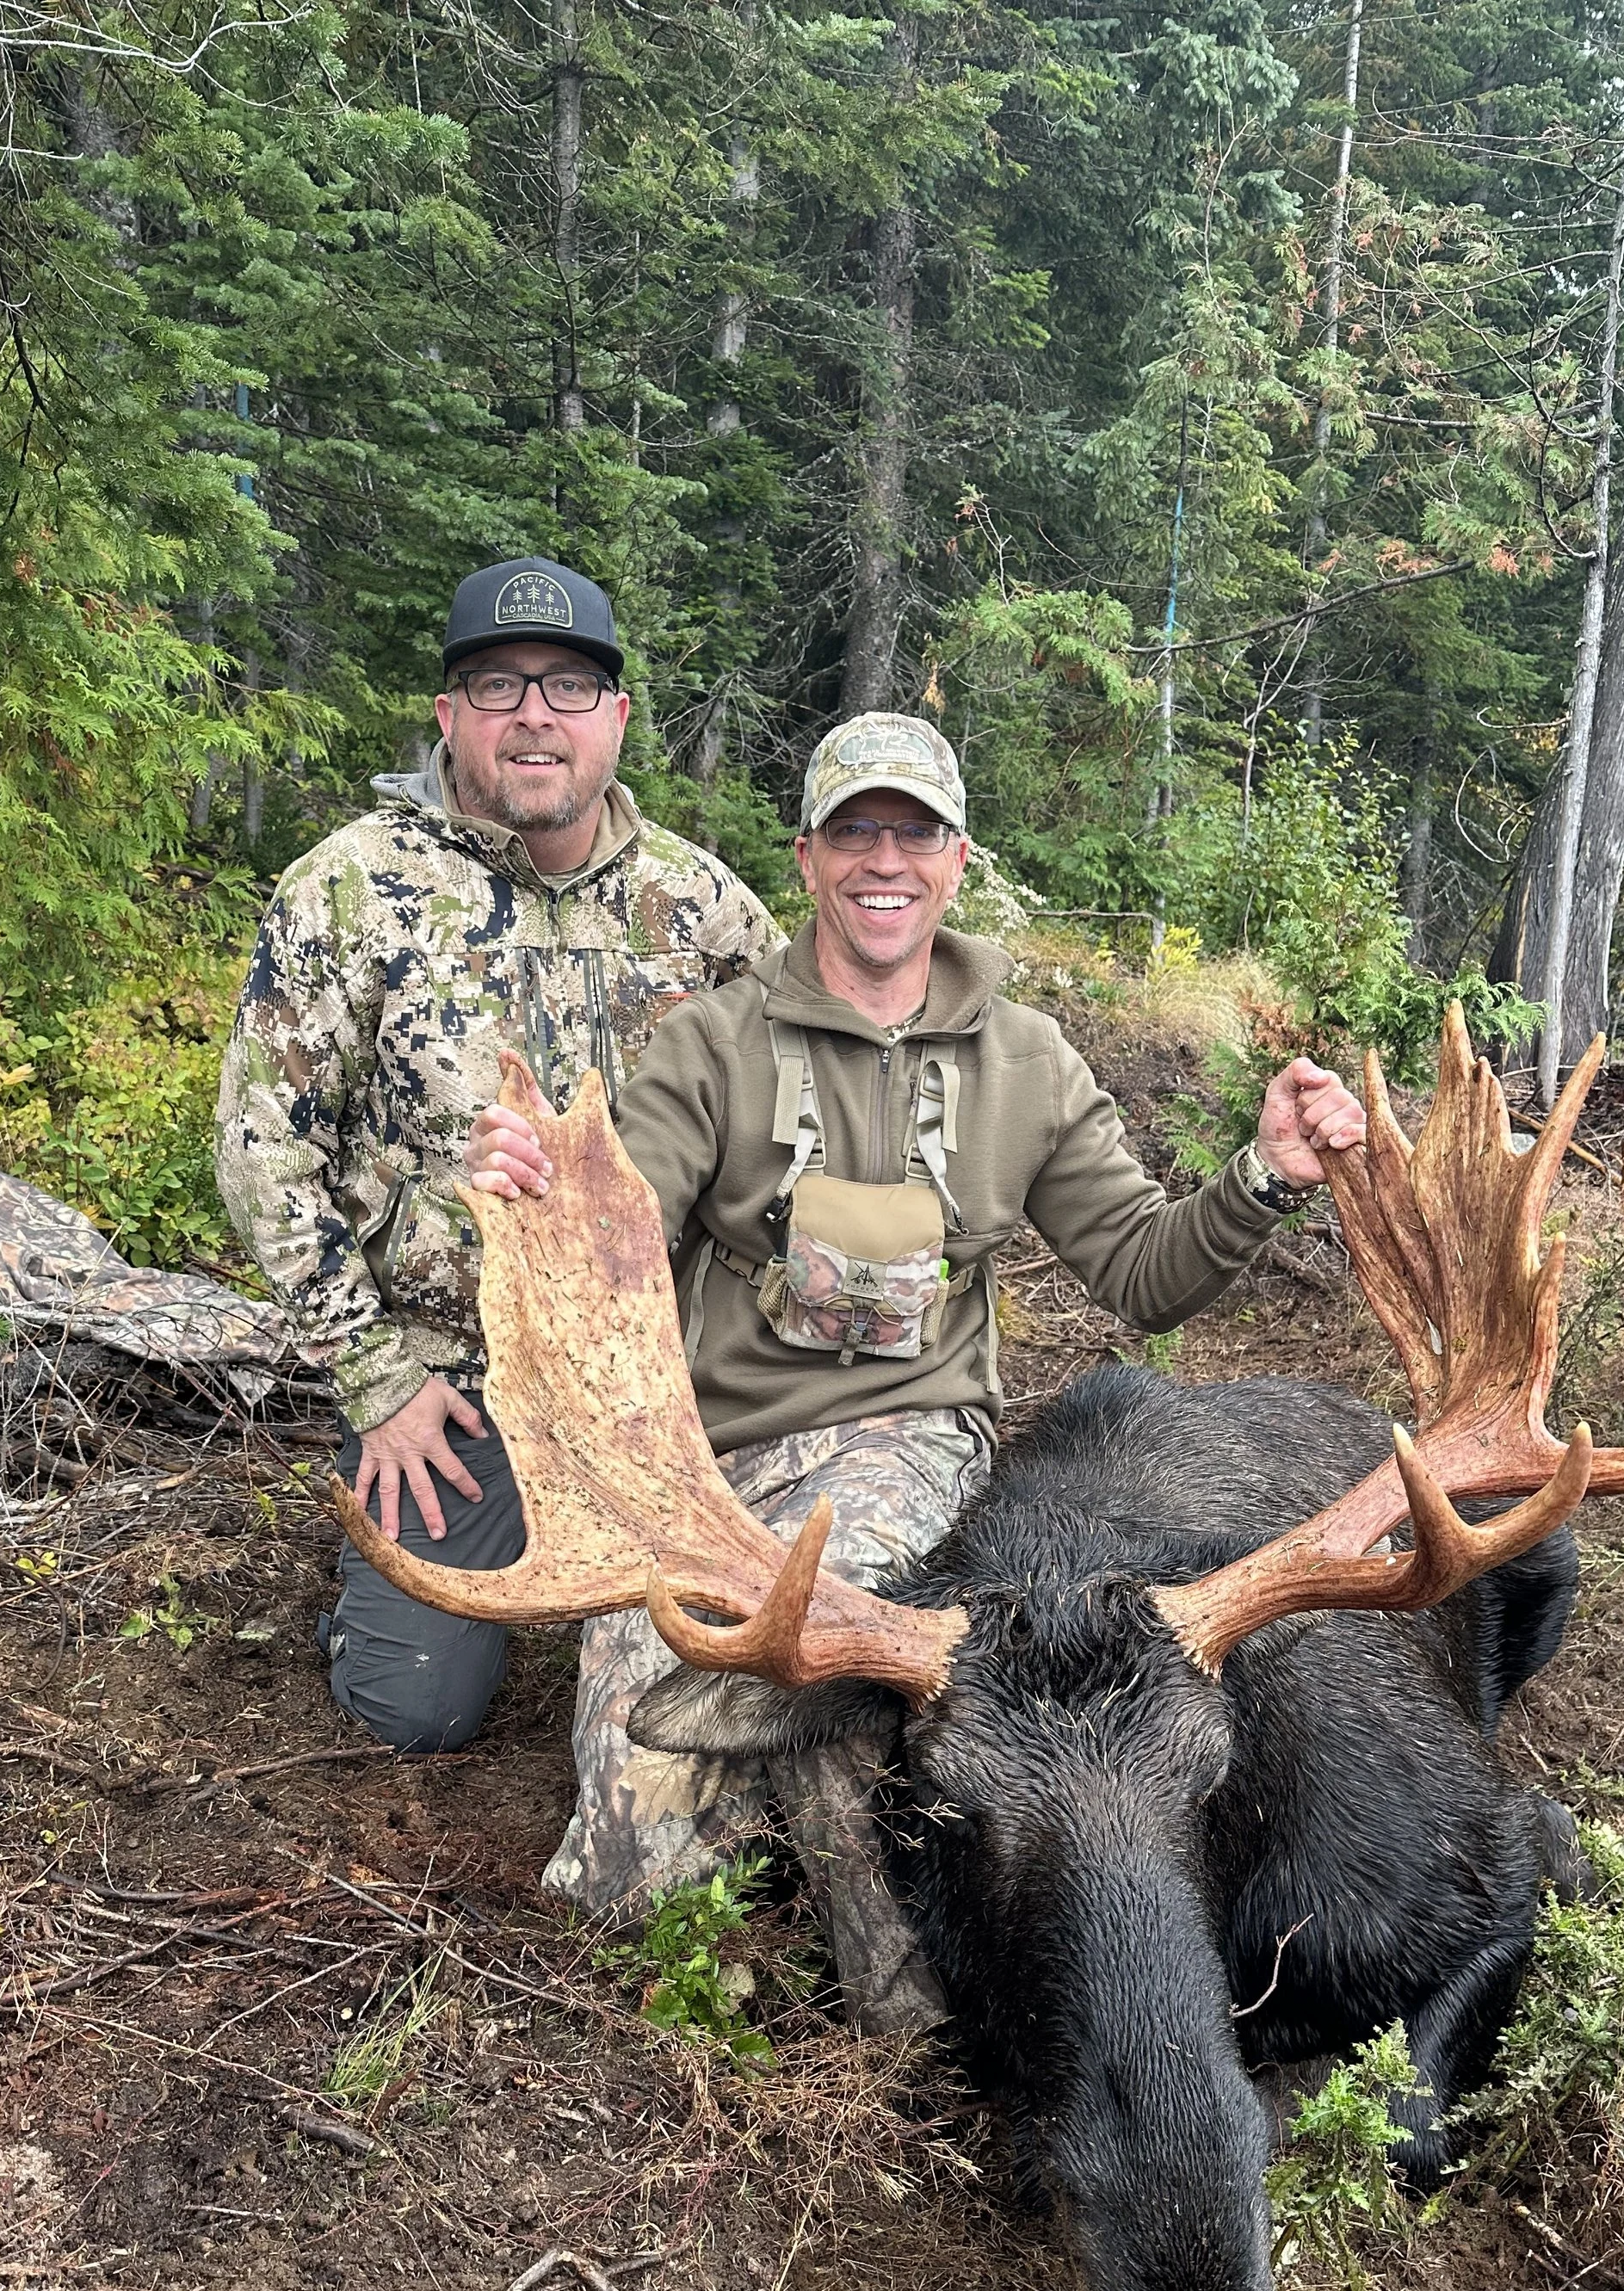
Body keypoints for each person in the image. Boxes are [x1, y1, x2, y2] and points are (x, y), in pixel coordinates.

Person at [466, 708, 1368, 2030]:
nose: (883, 861)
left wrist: (1262, 1179)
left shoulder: (1029, 1060)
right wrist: (536, 1199)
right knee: (632, 1857)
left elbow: (1141, 1272)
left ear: (956, 861)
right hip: (715, 1462)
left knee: (847, 1667)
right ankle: (759, 1875)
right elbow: (615, 1244)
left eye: (915, 833)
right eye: (855, 833)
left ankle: (916, 2016)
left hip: (906, 1434)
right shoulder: (710, 1046)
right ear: (808, 857)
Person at [217, 558, 785, 1751]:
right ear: (449, 717)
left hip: (665, 1381)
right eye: (498, 685)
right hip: (453, 1379)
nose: (536, 714)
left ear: (618, 719)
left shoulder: (706, 911)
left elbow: (794, 1134)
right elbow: (266, 1151)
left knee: (771, 1662)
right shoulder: (351, 892)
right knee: (408, 1712)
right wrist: (375, 1383)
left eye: (571, 686)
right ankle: (422, 1569)